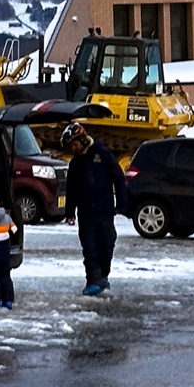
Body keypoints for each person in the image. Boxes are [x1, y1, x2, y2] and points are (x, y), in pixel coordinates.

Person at [61, 121, 128, 297]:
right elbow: (71, 189)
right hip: (85, 214)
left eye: (74, 144)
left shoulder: (103, 155)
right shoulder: (75, 164)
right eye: (70, 146)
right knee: (90, 249)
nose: (73, 148)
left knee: (106, 245)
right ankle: (93, 281)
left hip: (105, 211)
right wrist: (69, 212)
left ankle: (103, 277)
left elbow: (118, 178)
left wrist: (121, 204)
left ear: (82, 139)